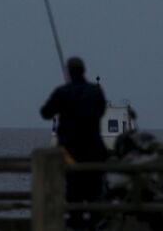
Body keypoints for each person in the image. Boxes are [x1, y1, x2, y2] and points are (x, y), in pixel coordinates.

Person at [40, 57, 108, 230]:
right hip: (94, 152)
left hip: (71, 153)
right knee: (95, 196)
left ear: (68, 72)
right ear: (84, 70)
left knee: (73, 195)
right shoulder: (95, 91)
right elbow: (101, 111)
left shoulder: (62, 92)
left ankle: (76, 225)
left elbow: (46, 113)